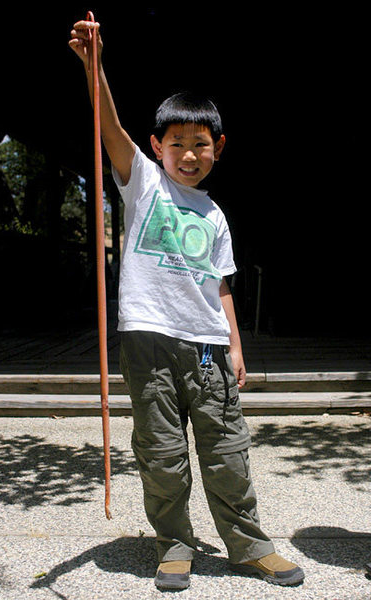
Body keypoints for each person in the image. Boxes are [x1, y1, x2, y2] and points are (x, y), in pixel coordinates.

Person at [69, 18, 305, 591]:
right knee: (162, 453)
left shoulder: (216, 215)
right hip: (148, 343)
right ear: (158, 147)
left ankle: (249, 544)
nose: (189, 154)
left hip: (206, 349)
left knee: (227, 450)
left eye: (200, 144)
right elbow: (110, 128)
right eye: (177, 143)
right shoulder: (144, 183)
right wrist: (93, 67)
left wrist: (235, 345)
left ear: (217, 149)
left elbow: (220, 286)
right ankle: (174, 542)